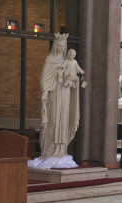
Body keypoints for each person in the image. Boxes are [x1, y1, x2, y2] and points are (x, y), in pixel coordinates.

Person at [31, 33, 83, 169]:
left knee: (64, 121)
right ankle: (49, 150)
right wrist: (52, 83)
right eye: (59, 45)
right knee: (53, 120)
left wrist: (74, 80)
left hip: (65, 94)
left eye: (63, 46)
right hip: (54, 95)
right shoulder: (50, 60)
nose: (61, 48)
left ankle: (61, 151)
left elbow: (74, 75)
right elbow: (44, 80)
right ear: (55, 46)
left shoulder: (69, 61)